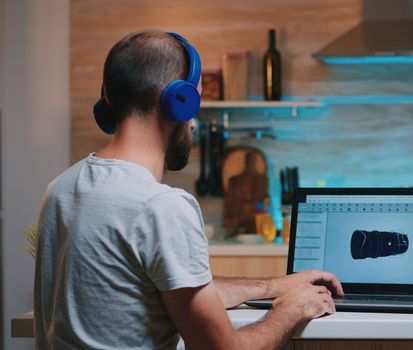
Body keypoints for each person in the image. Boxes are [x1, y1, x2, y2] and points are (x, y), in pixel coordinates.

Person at [34, 30, 343, 350]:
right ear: (177, 101)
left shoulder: (59, 190)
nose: (194, 123)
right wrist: (291, 309)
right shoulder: (161, 206)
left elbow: (177, 293)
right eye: (194, 102)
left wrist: (277, 285)